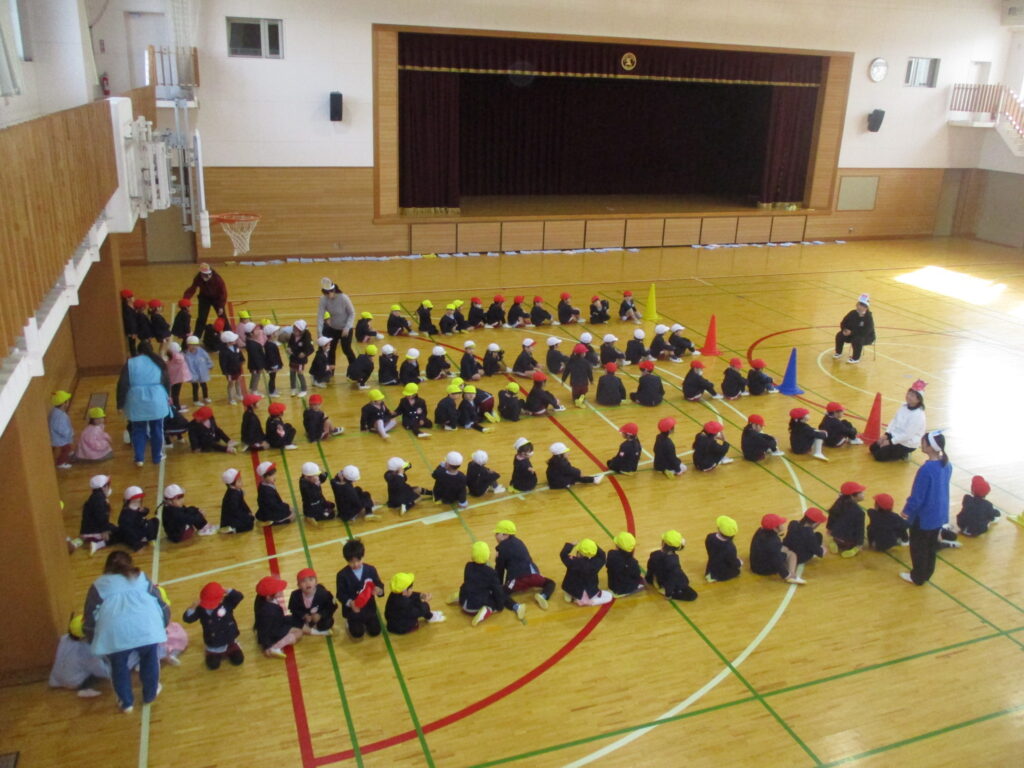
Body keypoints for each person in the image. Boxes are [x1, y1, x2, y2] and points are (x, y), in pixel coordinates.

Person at [83, 551, 169, 713]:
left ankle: (126, 702)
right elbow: (161, 603)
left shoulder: (98, 585)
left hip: (115, 634)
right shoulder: (141, 577)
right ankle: (150, 694)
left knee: (118, 666)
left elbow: (89, 616)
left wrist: (91, 637)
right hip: (146, 628)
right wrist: (164, 623)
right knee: (150, 659)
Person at [901, 431, 953, 585]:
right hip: (939, 514)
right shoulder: (947, 465)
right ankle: (927, 573)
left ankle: (918, 576)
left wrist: (907, 511)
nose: (921, 444)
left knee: (918, 547)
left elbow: (918, 496)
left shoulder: (926, 470)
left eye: (924, 442)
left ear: (930, 447)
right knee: (930, 546)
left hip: (924, 516)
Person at [117, 341, 171, 467]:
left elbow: (122, 384)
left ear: (138, 351)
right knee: (157, 429)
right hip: (156, 398)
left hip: (136, 399)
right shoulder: (159, 362)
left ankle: (139, 458)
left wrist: (120, 404)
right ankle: (156, 457)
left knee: (138, 429)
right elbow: (167, 381)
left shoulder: (130, 363)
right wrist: (168, 396)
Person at [450, 541, 526, 626]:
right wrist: (499, 606)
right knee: (495, 598)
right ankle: (488, 610)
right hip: (474, 608)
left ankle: (459, 595)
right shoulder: (490, 573)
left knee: (473, 587)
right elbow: (498, 592)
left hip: (463, 600)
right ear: (488, 555)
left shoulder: (468, 566)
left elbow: (468, 581)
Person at [494, 519, 556, 609]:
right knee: (550, 583)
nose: (495, 536)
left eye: (497, 533)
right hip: (533, 575)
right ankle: (543, 595)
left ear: (505, 534)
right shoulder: (519, 542)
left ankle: (516, 606)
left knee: (499, 593)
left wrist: (499, 586)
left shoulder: (501, 549)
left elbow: (500, 570)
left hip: (518, 580)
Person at [182, 583, 246, 670]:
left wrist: (226, 590)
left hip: (229, 638)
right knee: (213, 665)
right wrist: (192, 608)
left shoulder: (226, 604)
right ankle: (213, 654)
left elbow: (239, 596)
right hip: (214, 641)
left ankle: (231, 649)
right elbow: (188, 619)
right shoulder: (201, 609)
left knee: (238, 660)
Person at [49, 614, 110, 697]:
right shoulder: (87, 652)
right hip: (73, 683)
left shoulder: (64, 639)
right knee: (97, 675)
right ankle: (83, 689)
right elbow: (102, 672)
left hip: (56, 679)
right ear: (84, 637)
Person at [336, 539, 385, 639]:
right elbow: (340, 594)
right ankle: (350, 622)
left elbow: (379, 584)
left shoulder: (371, 570)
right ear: (346, 560)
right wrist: (350, 603)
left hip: (369, 608)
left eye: (358, 561)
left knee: (375, 631)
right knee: (357, 633)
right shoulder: (342, 575)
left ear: (363, 556)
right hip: (353, 611)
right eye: (352, 562)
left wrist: (379, 590)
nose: (356, 564)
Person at [870, 380, 927, 462]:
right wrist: (886, 434)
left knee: (879, 455)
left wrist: (890, 442)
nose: (908, 396)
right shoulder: (903, 406)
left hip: (907, 442)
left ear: (918, 400)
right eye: (909, 393)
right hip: (895, 435)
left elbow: (907, 435)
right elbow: (894, 421)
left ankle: (904, 454)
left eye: (912, 396)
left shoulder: (918, 415)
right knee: (873, 448)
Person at [253, 575, 304, 658]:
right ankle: (274, 648)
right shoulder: (269, 612)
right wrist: (266, 646)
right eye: (278, 591)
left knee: (297, 621)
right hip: (274, 630)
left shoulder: (262, 600)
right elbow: (265, 630)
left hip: (277, 622)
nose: (281, 591)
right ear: (269, 596)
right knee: (299, 633)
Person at [749, 514, 804, 584]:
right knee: (792, 554)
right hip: (763, 569)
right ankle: (792, 575)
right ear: (775, 528)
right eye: (781, 524)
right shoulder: (773, 541)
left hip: (755, 564)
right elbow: (777, 561)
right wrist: (786, 575)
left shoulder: (760, 531)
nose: (783, 525)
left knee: (785, 548)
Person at [645, 530, 698, 601]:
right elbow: (672, 580)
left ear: (663, 543)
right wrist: (668, 594)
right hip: (666, 583)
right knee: (692, 594)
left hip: (658, 579)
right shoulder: (673, 562)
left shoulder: (655, 554)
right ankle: (669, 591)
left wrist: (649, 579)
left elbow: (650, 568)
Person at [317, 278, 357, 366]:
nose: (327, 296)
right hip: (333, 328)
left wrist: (347, 328)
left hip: (345, 328)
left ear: (334, 290)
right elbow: (320, 317)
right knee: (331, 350)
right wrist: (319, 334)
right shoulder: (323, 299)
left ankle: (354, 367)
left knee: (346, 349)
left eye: (328, 293)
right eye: (325, 293)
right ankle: (330, 371)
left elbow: (352, 313)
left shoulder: (344, 298)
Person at [560, 539, 613, 605]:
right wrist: (593, 545)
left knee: (570, 585)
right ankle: (591, 601)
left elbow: (563, 555)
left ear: (579, 553)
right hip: (586, 591)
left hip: (570, 587)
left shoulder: (573, 561)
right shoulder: (595, 564)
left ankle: (570, 595)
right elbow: (602, 556)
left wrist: (570, 545)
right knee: (609, 596)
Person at [182, 263, 228, 335]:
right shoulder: (198, 278)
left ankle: (229, 333)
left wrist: (221, 306)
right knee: (201, 318)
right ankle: (197, 336)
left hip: (217, 299)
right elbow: (192, 289)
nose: (207, 276)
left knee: (222, 317)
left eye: (208, 274)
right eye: (204, 274)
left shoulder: (218, 279)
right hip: (204, 298)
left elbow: (223, 293)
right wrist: (186, 299)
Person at [288, 568, 337, 635]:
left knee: (328, 622)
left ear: (316, 582)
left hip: (318, 616)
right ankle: (312, 629)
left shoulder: (324, 594)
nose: (308, 583)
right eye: (303, 581)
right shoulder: (295, 595)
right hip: (304, 617)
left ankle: (310, 628)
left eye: (311, 580)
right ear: (298, 585)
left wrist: (320, 614)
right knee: (291, 620)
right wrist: (303, 615)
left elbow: (332, 607)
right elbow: (293, 609)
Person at [826, 481, 868, 557]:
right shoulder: (859, 512)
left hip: (836, 536)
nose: (863, 493)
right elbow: (860, 530)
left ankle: (834, 542)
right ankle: (854, 549)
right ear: (853, 496)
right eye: (861, 492)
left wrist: (829, 529)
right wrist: (860, 544)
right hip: (849, 541)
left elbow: (831, 517)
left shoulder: (838, 503)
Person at [80, 474, 118, 556]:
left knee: (115, 529)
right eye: (108, 485)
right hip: (93, 531)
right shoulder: (99, 500)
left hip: (90, 529)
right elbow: (101, 517)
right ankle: (97, 545)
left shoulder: (96, 497)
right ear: (103, 487)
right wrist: (105, 530)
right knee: (118, 535)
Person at [834, 293, 875, 364]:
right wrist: (844, 330)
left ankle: (855, 358)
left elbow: (866, 332)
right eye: (858, 304)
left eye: (860, 305)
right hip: (851, 334)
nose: (858, 306)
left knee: (857, 340)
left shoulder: (868, 317)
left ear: (865, 307)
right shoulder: (852, 313)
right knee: (840, 335)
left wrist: (852, 333)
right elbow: (843, 322)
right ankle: (838, 352)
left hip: (866, 337)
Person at [118, 486, 159, 551]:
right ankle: (144, 540)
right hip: (136, 533)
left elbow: (145, 512)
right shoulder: (126, 514)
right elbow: (127, 531)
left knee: (155, 521)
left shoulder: (137, 508)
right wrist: (136, 544)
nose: (138, 503)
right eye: (135, 501)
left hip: (141, 527)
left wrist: (144, 511)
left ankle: (149, 538)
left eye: (138, 501)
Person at [255, 461, 295, 525]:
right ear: (263, 477)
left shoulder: (263, 484)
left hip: (268, 508)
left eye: (274, 474)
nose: (274, 477)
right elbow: (274, 506)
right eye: (271, 475)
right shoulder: (267, 491)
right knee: (292, 516)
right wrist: (286, 507)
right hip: (270, 512)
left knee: (290, 509)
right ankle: (274, 521)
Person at [606, 532, 645, 597]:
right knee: (642, 580)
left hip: (612, 586)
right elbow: (636, 574)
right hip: (625, 589)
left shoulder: (611, 554)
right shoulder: (633, 562)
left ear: (617, 546)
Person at [704, 516, 742, 583]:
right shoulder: (730, 548)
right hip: (722, 573)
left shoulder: (710, 537)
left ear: (719, 529)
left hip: (711, 567)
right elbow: (733, 562)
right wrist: (739, 562)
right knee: (737, 570)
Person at [219, 468, 255, 533]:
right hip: (231, 518)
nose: (242, 482)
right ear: (231, 485)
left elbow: (242, 503)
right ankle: (232, 529)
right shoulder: (232, 496)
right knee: (248, 525)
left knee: (251, 519)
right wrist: (246, 516)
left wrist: (248, 511)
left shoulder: (238, 490)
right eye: (239, 481)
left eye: (241, 480)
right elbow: (235, 511)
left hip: (237, 512)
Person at [287, 320, 314, 396]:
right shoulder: (293, 335)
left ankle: (304, 389)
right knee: (292, 372)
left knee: (300, 373)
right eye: (294, 329)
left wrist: (305, 354)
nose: (294, 331)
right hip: (293, 357)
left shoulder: (306, 338)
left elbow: (311, 349)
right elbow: (289, 343)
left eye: (296, 329)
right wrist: (288, 348)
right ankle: (293, 388)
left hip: (300, 360)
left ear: (301, 331)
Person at [185, 335, 214, 406]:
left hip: (202, 372)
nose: (194, 347)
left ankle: (205, 397)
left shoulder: (201, 351)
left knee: (204, 385)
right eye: (192, 345)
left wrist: (210, 365)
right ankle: (196, 400)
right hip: (193, 374)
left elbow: (207, 358)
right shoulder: (186, 355)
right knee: (195, 387)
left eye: (195, 345)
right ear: (188, 345)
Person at [50, 390, 75, 469]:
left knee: (68, 447)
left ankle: (69, 453)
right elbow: (60, 428)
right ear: (64, 404)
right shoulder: (60, 416)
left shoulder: (56, 412)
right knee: (65, 449)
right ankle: (60, 463)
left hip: (61, 437)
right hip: (60, 438)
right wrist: (69, 433)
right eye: (67, 401)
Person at [165, 341, 192, 413]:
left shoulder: (170, 357)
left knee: (174, 393)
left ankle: (176, 405)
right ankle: (177, 408)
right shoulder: (178, 357)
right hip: (178, 379)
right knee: (176, 394)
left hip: (173, 378)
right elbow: (182, 359)